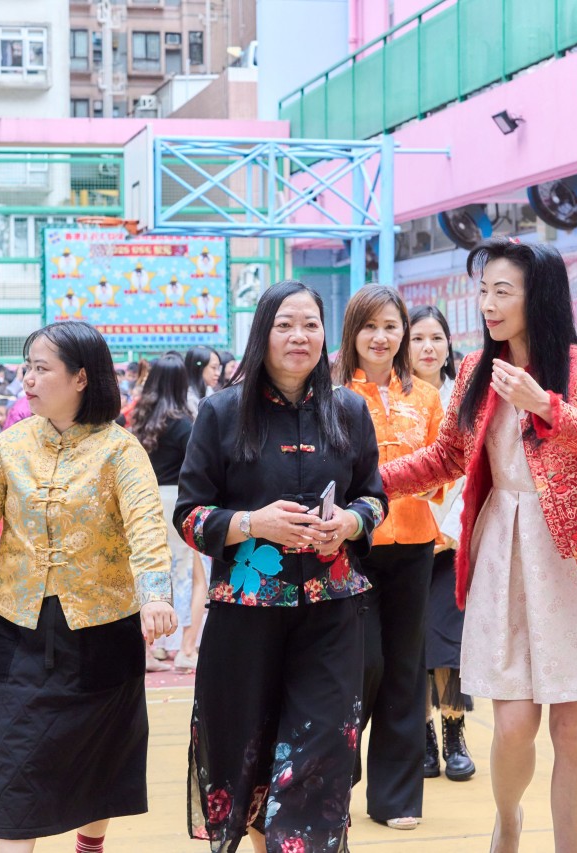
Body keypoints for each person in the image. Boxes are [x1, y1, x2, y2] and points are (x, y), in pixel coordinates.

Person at [381, 239, 577, 853]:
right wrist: (372, 480)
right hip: (504, 553)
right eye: (484, 291)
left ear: (541, 297)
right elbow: (446, 457)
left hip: (576, 560)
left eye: (502, 291)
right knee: (511, 727)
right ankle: (508, 821)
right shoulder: (476, 373)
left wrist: (544, 405)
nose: (487, 304)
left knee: (572, 730)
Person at [0, 321, 177, 852]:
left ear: (81, 378)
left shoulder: (120, 450)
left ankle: (90, 844)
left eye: (41, 369)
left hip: (104, 632)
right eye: (27, 368)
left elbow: (146, 525)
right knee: (12, 766)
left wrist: (155, 593)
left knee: (101, 759)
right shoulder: (8, 447)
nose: (28, 379)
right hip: (20, 633)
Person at [175, 280, 387, 852]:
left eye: (310, 325)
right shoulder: (221, 412)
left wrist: (349, 523)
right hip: (246, 616)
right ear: (262, 334)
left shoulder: (349, 409)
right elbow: (190, 516)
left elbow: (374, 498)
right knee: (247, 750)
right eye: (285, 325)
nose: (299, 336)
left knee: (321, 751)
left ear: (325, 335)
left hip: (332, 613)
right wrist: (252, 524)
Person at [332, 285, 443, 830]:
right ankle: (334, 781)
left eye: (391, 326)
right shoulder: (330, 396)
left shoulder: (425, 396)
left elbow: (444, 464)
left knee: (405, 667)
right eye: (370, 326)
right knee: (360, 663)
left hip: (415, 544)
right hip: (350, 547)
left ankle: (396, 798)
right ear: (352, 330)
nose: (381, 337)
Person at [406, 304, 475, 783]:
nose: (428, 348)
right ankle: (423, 737)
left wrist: (451, 530)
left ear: (449, 345)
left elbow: (473, 471)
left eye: (436, 338)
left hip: (452, 542)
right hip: (404, 543)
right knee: (412, 647)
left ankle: (455, 735)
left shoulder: (463, 399)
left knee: (448, 642)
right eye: (418, 339)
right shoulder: (395, 399)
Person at [128, 353, 201, 671]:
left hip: (144, 498)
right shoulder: (184, 424)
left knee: (150, 572)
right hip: (174, 500)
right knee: (188, 576)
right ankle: (185, 648)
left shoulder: (140, 419)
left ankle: (149, 650)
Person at [184, 345, 220, 415]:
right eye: (214, 367)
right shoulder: (189, 398)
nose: (218, 373)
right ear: (198, 368)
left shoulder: (209, 390)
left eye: (218, 368)